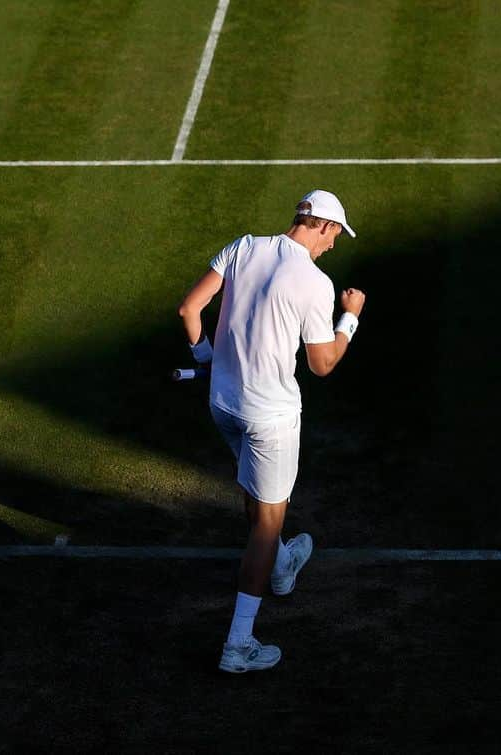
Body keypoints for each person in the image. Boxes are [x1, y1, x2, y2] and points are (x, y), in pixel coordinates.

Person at [178, 189, 366, 673]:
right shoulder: (315, 282)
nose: (333, 246)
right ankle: (238, 643)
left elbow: (189, 310)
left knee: (254, 489)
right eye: (335, 237)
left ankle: (282, 564)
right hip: (271, 417)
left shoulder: (242, 247)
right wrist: (351, 318)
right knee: (268, 521)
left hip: (222, 404)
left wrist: (206, 360)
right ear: (322, 225)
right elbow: (322, 363)